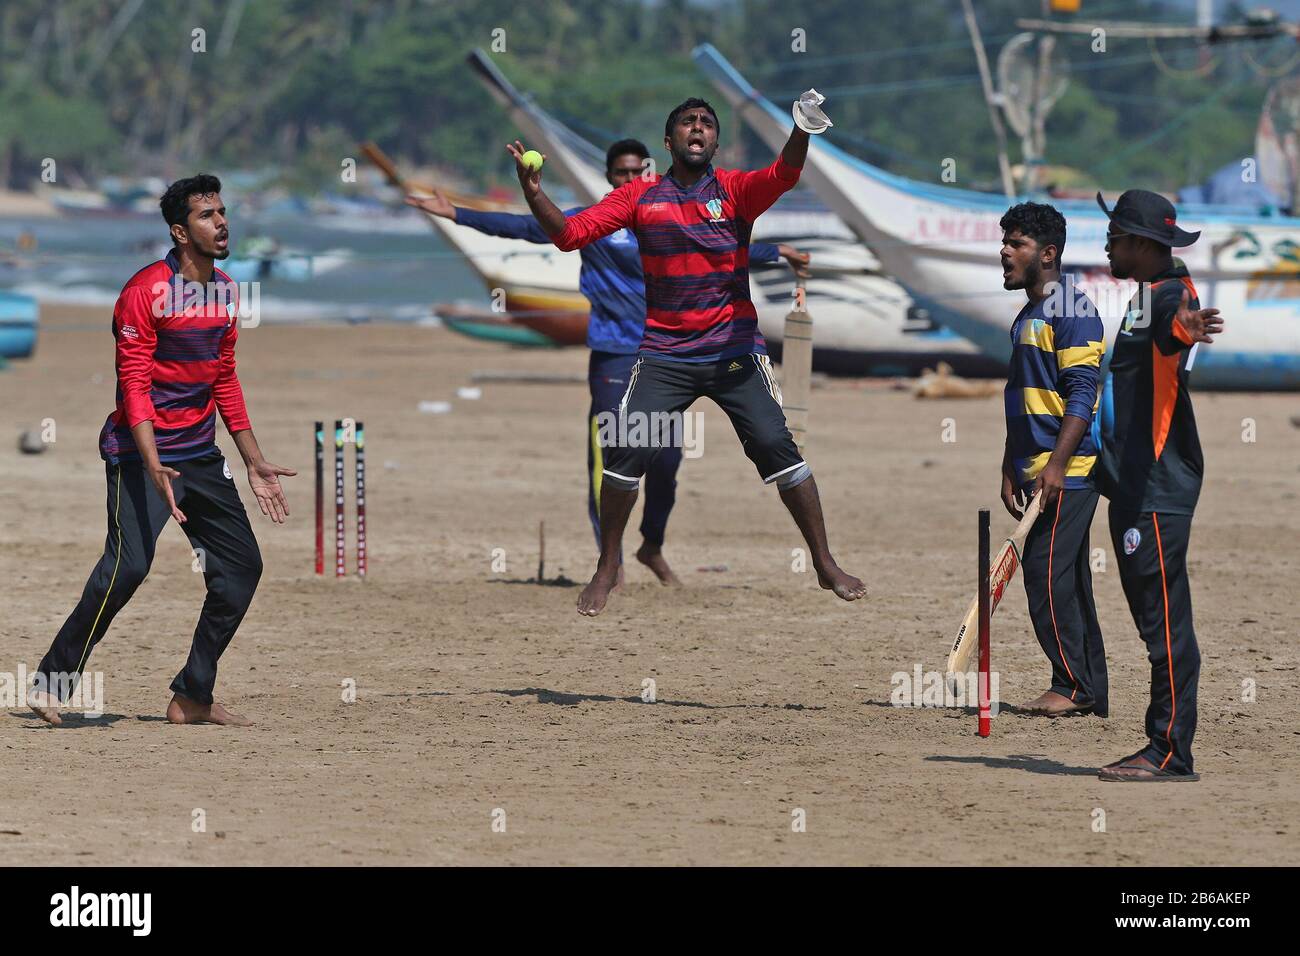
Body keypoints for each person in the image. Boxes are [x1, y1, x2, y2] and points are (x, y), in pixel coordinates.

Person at [506, 95, 865, 616]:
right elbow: (569, 235)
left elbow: (785, 173)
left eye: (706, 123)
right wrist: (533, 193)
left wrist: (802, 129)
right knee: (625, 454)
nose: (697, 128)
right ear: (669, 142)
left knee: (775, 445)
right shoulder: (639, 195)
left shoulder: (737, 191)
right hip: (665, 355)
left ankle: (824, 561)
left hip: (734, 353)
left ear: (714, 142)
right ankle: (608, 564)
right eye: (687, 122)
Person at [406, 139, 812, 587]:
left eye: (638, 170)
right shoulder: (601, 220)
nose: (630, 177)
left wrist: (776, 252)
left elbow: (720, 245)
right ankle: (611, 560)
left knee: (667, 462)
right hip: (615, 353)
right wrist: (460, 214)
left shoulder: (667, 210)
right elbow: (524, 226)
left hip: (665, 353)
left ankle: (651, 546)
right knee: (614, 454)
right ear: (609, 177)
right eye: (621, 171)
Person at [28, 174, 294, 727]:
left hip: (198, 454)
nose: (221, 223)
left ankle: (193, 695)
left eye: (222, 212)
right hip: (139, 455)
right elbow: (134, 384)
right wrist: (151, 464)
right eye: (206, 215)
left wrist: (252, 459)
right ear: (179, 231)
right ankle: (52, 684)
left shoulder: (225, 291)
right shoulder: (144, 292)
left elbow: (223, 378)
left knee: (242, 567)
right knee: (128, 567)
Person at [1094, 189, 1223, 781]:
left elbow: (1176, 328)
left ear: (1143, 245)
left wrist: (1185, 329)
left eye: (1116, 236)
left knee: (1164, 621)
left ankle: (1169, 750)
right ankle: (1164, 744)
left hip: (1157, 486)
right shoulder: (1149, 295)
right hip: (1132, 483)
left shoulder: (1169, 296)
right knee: (1155, 618)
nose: (1108, 244)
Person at [997, 201, 1109, 718]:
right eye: (1004, 241)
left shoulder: (1074, 311)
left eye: (1015, 243)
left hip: (1069, 470)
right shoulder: (1029, 312)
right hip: (1036, 467)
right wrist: (1008, 463)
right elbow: (1021, 391)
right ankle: (1088, 690)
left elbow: (1083, 395)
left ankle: (1070, 688)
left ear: (1047, 254)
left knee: (1045, 574)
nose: (1003, 252)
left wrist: (1056, 466)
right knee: (1069, 579)